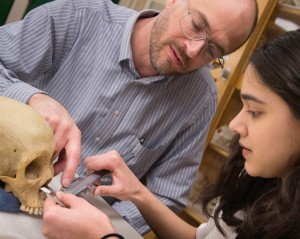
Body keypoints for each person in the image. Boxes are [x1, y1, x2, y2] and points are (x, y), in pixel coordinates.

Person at [0, 0, 258, 234]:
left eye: (212, 51)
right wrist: (32, 98)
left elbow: (168, 195)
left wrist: (101, 227)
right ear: (173, 1)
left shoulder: (201, 97)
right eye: (196, 24)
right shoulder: (76, 15)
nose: (193, 50)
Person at [42, 29, 300, 239]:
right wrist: (137, 194)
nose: (234, 125)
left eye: (254, 111)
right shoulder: (267, 186)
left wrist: (102, 237)